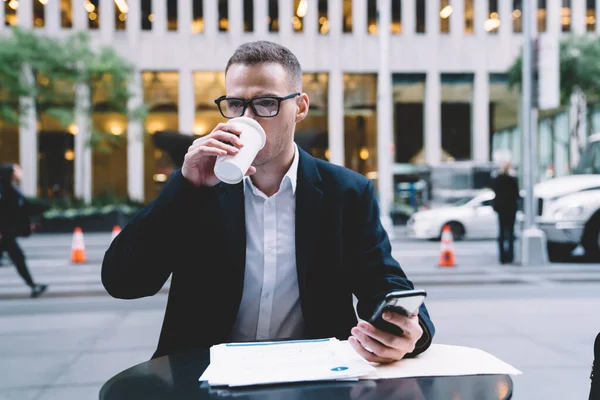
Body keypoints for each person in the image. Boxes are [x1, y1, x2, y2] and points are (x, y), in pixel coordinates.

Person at [102, 41, 435, 362]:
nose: (248, 117)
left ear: (300, 107)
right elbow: (124, 282)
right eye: (235, 104)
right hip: (205, 376)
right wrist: (185, 188)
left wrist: (410, 329)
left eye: (265, 103)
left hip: (314, 377)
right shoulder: (199, 189)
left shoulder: (346, 192)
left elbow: (383, 282)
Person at [0, 163, 48, 298]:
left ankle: (33, 286)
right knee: (18, 258)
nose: (19, 171)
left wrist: (28, 225)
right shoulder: (3, 190)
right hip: (3, 233)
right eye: (16, 170)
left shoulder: (12, 189)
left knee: (19, 258)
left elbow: (19, 211)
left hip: (6, 233)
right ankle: (33, 285)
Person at [491, 160, 520, 264]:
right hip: (511, 209)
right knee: (511, 233)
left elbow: (493, 189)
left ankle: (502, 257)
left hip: (501, 209)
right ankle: (510, 257)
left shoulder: (498, 179)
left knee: (502, 233)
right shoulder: (512, 180)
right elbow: (517, 194)